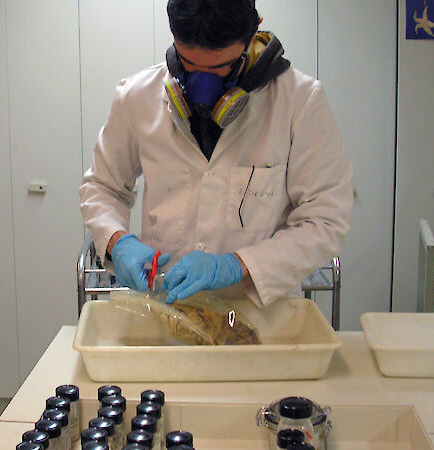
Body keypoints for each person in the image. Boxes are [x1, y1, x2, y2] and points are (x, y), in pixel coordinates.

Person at [79, 0, 353, 307]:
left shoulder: (299, 102)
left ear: (253, 32)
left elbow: (324, 221)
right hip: (164, 306)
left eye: (220, 68)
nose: (202, 84)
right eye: (188, 64)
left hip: (255, 313)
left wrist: (238, 265)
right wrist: (118, 242)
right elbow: (103, 187)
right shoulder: (137, 97)